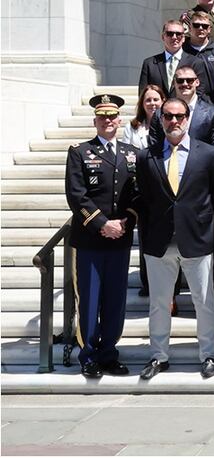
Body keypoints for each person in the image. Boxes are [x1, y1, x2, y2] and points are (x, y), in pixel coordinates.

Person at [136, 98, 214, 380]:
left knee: (204, 301)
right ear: (160, 119)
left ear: (188, 118)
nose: (174, 121)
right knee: (159, 302)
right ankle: (158, 356)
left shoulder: (209, 154)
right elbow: (143, 197)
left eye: (179, 116)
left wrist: (203, 224)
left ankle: (209, 355)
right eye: (168, 116)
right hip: (159, 241)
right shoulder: (146, 156)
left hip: (197, 238)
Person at [65, 94, 139, 378]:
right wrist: (102, 224)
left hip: (119, 239)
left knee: (115, 299)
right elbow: (77, 195)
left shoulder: (133, 153)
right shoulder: (80, 152)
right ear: (95, 121)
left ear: (120, 120)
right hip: (90, 241)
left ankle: (109, 352)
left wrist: (125, 222)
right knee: (90, 299)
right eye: (103, 117)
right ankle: (88, 355)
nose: (108, 121)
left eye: (113, 116)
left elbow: (138, 195)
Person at [139, 19, 212, 97]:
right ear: (163, 37)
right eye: (170, 34)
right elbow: (143, 94)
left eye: (178, 34)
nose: (174, 37)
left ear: (183, 38)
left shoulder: (196, 63)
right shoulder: (150, 64)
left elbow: (200, 92)